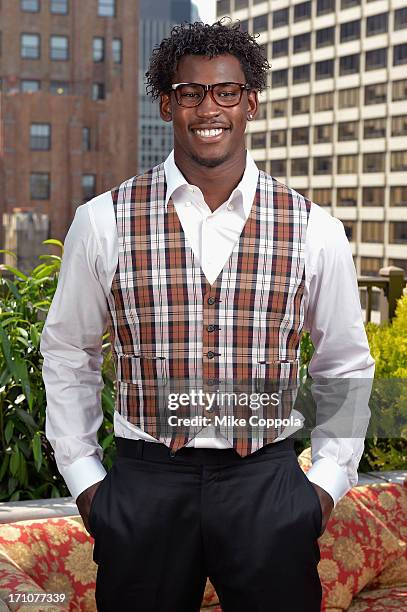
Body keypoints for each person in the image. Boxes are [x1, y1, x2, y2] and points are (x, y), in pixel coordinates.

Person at [40, 19, 375, 612]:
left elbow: (344, 364)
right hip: (146, 485)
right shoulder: (103, 220)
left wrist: (324, 486)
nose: (208, 108)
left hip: (267, 486)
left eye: (226, 92)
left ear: (250, 104)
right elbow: (70, 351)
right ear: (168, 104)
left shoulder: (314, 229)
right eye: (191, 93)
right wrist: (87, 480)